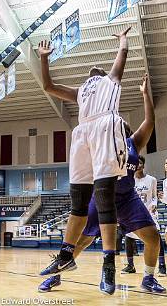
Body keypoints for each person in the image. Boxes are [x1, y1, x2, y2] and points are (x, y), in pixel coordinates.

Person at [38, 75, 166, 294]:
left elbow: (150, 122)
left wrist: (146, 95)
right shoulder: (99, 140)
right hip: (101, 199)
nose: (120, 123)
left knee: (153, 237)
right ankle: (57, 274)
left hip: (127, 199)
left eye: (123, 123)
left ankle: (149, 278)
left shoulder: (133, 143)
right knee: (82, 241)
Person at [38, 26, 131, 295]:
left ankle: (109, 263)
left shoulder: (109, 81)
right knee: (78, 202)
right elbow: (48, 86)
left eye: (96, 69)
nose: (93, 69)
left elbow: (121, 57)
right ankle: (66, 255)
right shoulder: (81, 92)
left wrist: (123, 40)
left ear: (102, 76)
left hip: (105, 127)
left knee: (104, 197)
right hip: (82, 133)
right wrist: (44, 59)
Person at [122, 155, 166, 277]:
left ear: (143, 164)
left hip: (149, 212)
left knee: (156, 237)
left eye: (140, 163)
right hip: (133, 212)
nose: (138, 165)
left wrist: (154, 204)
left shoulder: (151, 179)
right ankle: (130, 266)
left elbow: (154, 196)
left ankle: (162, 266)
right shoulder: (129, 180)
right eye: (136, 163)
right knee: (128, 237)